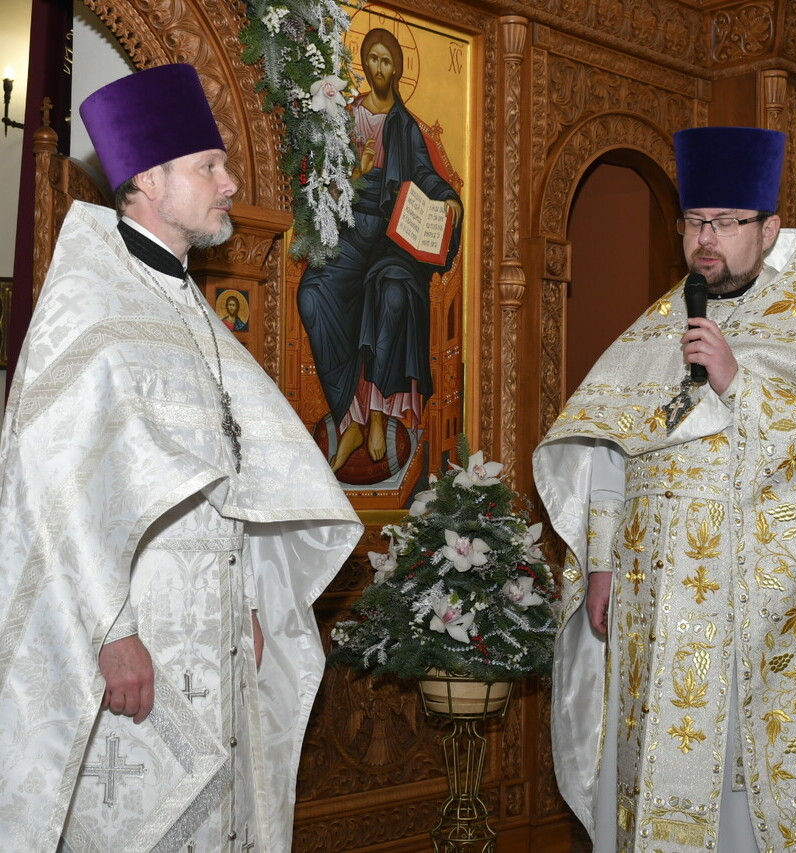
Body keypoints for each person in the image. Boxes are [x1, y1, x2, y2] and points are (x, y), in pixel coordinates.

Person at [0, 64, 362, 851]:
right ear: (148, 180)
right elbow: (51, 481)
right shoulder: (92, 302)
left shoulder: (186, 304)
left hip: (215, 635)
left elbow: (238, 475)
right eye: (209, 166)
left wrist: (253, 600)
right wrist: (112, 630)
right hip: (139, 639)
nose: (230, 183)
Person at [534, 126, 796, 852]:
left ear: (767, 229)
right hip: (649, 597)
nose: (706, 240)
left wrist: (739, 382)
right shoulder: (659, 323)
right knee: (648, 755)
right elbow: (610, 444)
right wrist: (601, 561)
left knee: (735, 778)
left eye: (726, 223)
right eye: (694, 222)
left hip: (744, 599)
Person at [297, 28, 463, 474]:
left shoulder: (406, 127)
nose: (378, 68)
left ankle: (375, 415)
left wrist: (449, 201)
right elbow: (324, 181)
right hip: (351, 232)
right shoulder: (346, 117)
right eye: (371, 59)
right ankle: (347, 416)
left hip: (393, 237)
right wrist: (356, 174)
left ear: (398, 69)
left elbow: (426, 176)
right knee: (312, 295)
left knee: (391, 292)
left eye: (386, 60)